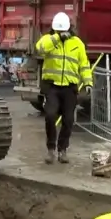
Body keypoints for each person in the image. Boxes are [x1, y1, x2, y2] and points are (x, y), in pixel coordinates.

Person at [34, 12, 93, 164]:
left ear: (69, 28)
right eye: (58, 30)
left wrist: (88, 82)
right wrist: (57, 38)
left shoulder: (77, 43)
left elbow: (84, 64)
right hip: (52, 86)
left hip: (69, 88)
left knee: (68, 120)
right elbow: (40, 48)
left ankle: (62, 150)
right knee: (50, 116)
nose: (61, 33)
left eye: (63, 31)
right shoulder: (48, 39)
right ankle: (51, 149)